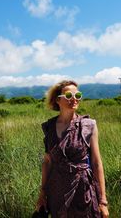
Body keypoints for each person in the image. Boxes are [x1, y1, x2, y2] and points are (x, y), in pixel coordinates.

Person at [35, 80, 109, 218]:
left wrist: (103, 201)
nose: (74, 99)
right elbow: (47, 162)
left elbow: (96, 163)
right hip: (57, 190)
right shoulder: (49, 127)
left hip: (83, 188)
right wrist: (42, 193)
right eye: (69, 95)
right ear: (58, 100)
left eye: (78, 95)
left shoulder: (88, 125)